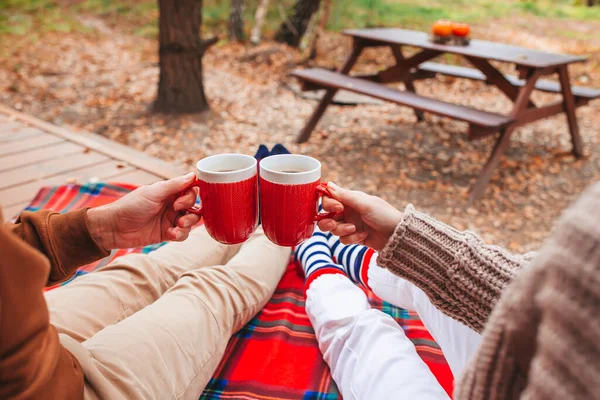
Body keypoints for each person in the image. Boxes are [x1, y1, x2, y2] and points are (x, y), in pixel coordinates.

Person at [296, 181, 600, 399]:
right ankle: (348, 253)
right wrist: (397, 236)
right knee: (429, 281)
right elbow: (533, 294)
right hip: (535, 351)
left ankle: (316, 257)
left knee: (370, 341)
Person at [0, 172, 291, 400]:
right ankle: (277, 220)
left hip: (29, 334)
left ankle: (249, 208)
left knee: (146, 269)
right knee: (213, 292)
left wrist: (99, 228)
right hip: (57, 391)